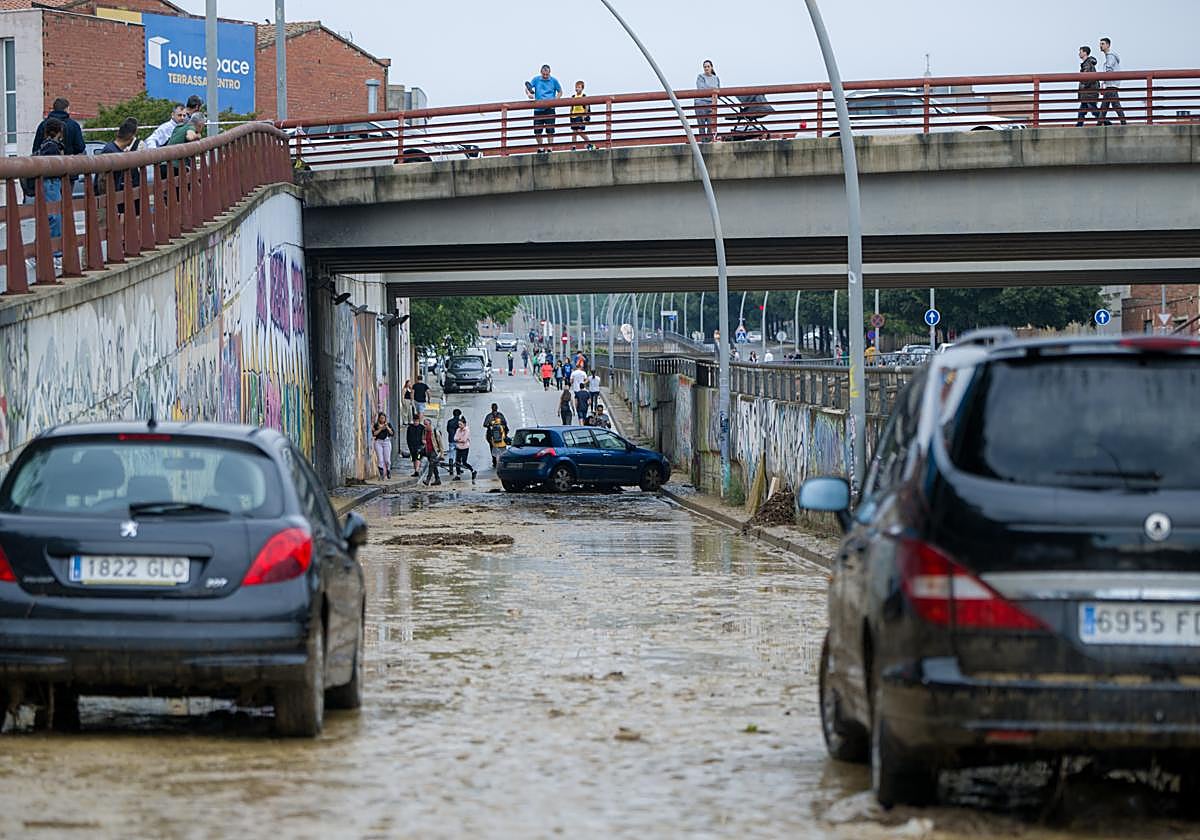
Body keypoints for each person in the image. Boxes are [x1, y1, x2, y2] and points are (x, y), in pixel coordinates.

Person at [32, 118, 65, 271]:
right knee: (54, 217)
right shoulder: (52, 147)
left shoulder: (44, 145)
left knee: (48, 218)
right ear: (59, 132)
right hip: (51, 183)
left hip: (47, 184)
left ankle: (38, 253)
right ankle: (55, 254)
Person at [95, 118, 142, 214]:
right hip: (107, 201)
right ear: (131, 136)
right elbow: (102, 181)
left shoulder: (111, 148)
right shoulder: (111, 152)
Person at [525, 64, 563, 153]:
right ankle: (541, 147)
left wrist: (555, 100)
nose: (545, 76)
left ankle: (550, 148)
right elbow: (528, 87)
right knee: (537, 130)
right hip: (538, 108)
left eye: (547, 74)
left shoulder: (554, 80)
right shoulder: (536, 79)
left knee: (550, 129)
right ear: (541, 72)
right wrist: (529, 94)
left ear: (550, 73)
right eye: (544, 74)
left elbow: (560, 92)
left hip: (550, 108)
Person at [1098, 37, 1126, 126]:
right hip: (1110, 84)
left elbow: (1109, 70)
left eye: (1102, 44)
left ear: (1108, 45)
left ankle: (1123, 123)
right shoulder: (1109, 57)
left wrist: (1104, 81)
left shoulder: (1110, 56)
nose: (1100, 46)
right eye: (1100, 44)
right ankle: (1099, 124)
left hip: (1111, 84)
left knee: (1114, 105)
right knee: (1105, 106)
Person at [694, 60, 721, 142]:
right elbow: (701, 89)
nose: (706, 68)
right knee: (701, 125)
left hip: (712, 103)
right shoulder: (700, 77)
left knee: (711, 124)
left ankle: (709, 141)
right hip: (701, 102)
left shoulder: (716, 78)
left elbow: (718, 90)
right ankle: (703, 142)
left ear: (711, 67)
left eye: (708, 66)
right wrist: (713, 89)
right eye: (705, 67)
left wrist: (711, 90)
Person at [1076, 46, 1102, 126]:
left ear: (1085, 53)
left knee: (1093, 109)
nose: (1079, 53)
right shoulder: (1088, 64)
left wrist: (1083, 86)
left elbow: (1088, 78)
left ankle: (1106, 121)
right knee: (1083, 109)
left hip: (1089, 92)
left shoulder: (1087, 64)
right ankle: (1079, 125)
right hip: (1088, 92)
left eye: (1080, 52)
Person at [569, 80, 595, 151]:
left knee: (580, 131)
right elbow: (571, 107)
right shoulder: (573, 97)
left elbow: (587, 107)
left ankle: (589, 143)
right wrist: (570, 114)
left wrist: (585, 116)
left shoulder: (583, 96)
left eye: (579, 87)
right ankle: (573, 147)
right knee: (574, 132)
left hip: (581, 116)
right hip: (574, 116)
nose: (577, 88)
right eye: (576, 87)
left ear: (582, 88)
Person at [483, 403, 509, 468]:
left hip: (491, 436)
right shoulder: (500, 415)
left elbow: (485, 424)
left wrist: (490, 425)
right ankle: (499, 461)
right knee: (501, 448)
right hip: (497, 435)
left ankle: (495, 461)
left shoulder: (489, 416)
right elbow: (505, 424)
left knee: (493, 448)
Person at [452, 418, 478, 482]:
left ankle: (473, 471)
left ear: (464, 424)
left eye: (461, 424)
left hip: (465, 448)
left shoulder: (466, 430)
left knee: (464, 462)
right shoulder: (458, 430)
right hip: (458, 448)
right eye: (459, 424)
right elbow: (455, 438)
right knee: (457, 462)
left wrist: (459, 439)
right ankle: (458, 475)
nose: (459, 426)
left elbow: (464, 440)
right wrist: (459, 439)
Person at [421, 418, 443, 486]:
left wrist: (441, 454)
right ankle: (437, 479)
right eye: (424, 424)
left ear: (430, 424)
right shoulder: (424, 431)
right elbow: (423, 439)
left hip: (434, 451)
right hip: (428, 451)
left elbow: (440, 444)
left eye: (426, 424)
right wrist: (423, 441)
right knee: (434, 466)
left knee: (431, 465)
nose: (425, 426)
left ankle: (428, 480)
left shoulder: (435, 432)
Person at [372, 411, 394, 479]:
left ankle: (388, 470)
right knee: (380, 459)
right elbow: (374, 434)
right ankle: (381, 474)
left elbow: (392, 433)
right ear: (379, 418)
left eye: (383, 418)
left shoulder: (388, 424)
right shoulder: (376, 425)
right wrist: (381, 428)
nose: (382, 420)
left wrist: (387, 427)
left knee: (387, 460)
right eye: (381, 418)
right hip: (378, 442)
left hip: (386, 442)